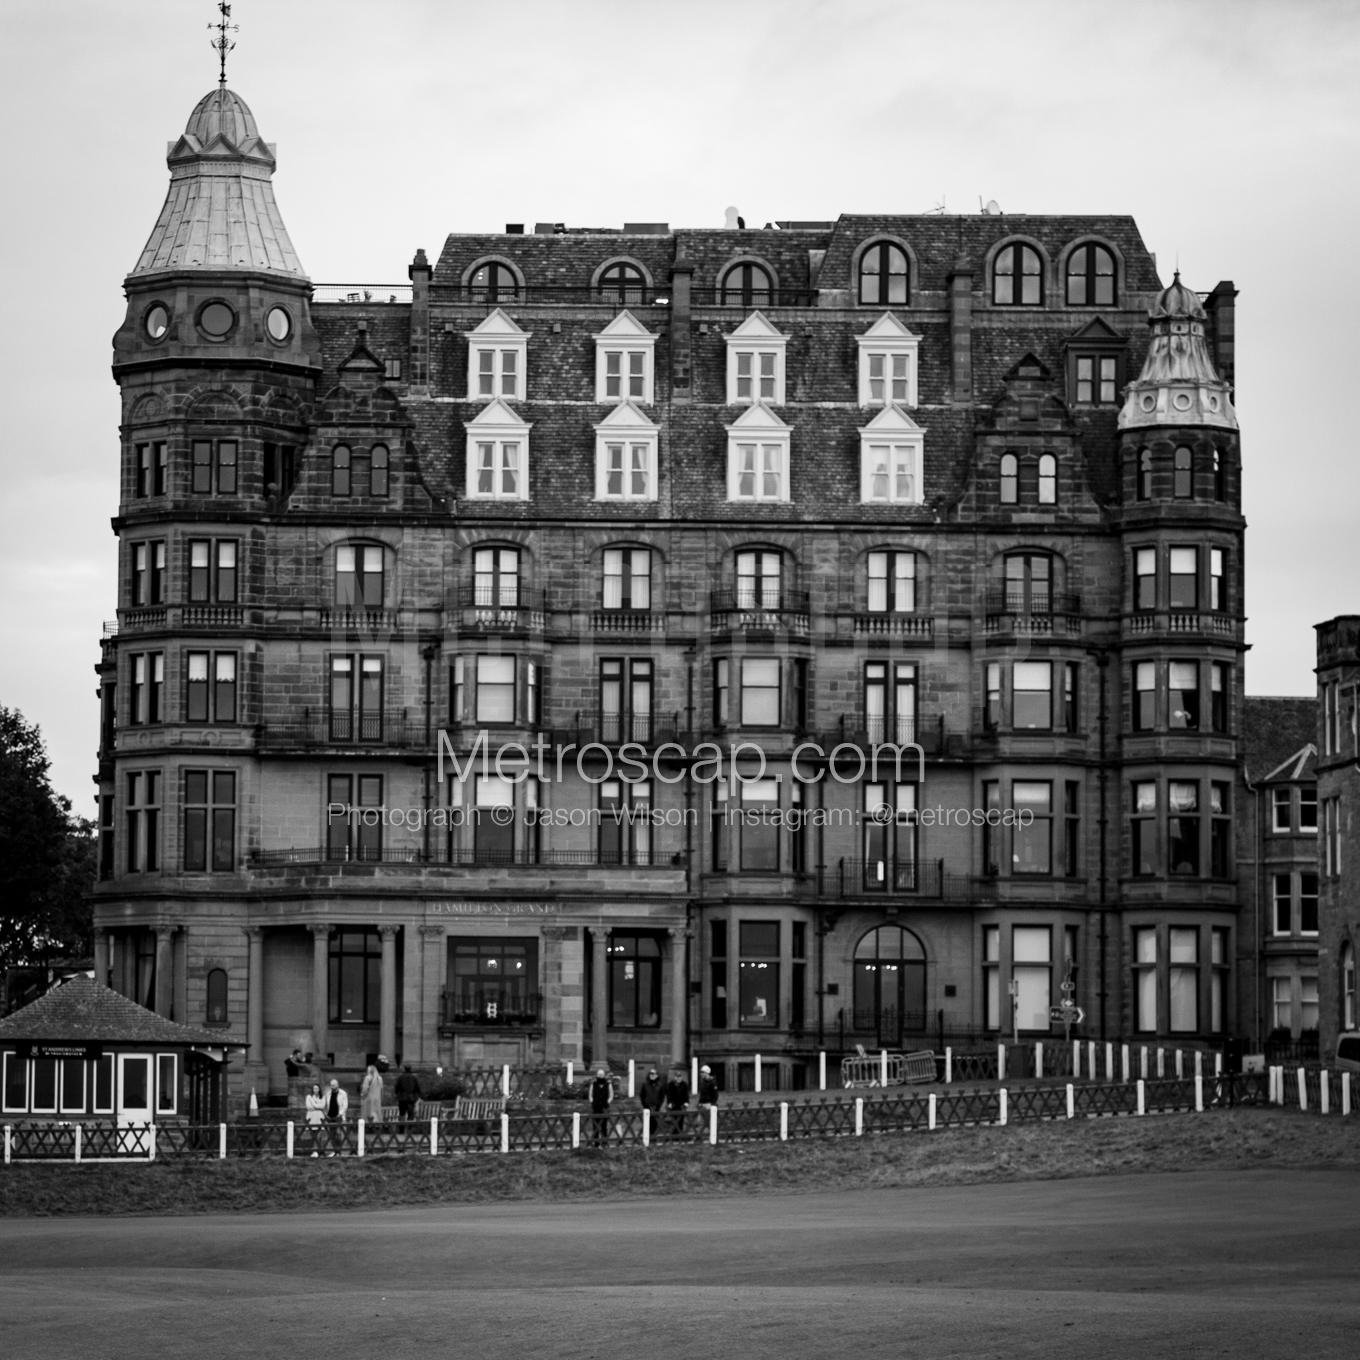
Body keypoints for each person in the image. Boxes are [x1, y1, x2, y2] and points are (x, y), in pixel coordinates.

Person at [588, 1067, 613, 1147]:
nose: (601, 1076)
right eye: (599, 1075)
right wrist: (592, 1102)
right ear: (597, 1075)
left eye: (602, 1075)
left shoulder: (608, 1085)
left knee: (604, 1126)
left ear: (604, 1076)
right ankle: (596, 1142)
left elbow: (611, 1095)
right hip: (595, 1107)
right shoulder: (593, 1084)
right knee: (595, 1125)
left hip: (604, 1108)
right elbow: (590, 1095)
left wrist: (608, 1102)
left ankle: (604, 1141)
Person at [664, 1066, 691, 1139]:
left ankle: (680, 1135)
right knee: (674, 1120)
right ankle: (674, 1135)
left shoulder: (684, 1084)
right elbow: (669, 1095)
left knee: (681, 1120)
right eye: (677, 1077)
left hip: (681, 1105)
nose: (679, 1078)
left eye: (680, 1077)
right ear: (674, 1077)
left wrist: (686, 1102)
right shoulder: (670, 1084)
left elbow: (686, 1094)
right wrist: (669, 1103)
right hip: (673, 1105)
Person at [323, 1077, 348, 1155]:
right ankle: (334, 1150)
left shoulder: (343, 1093)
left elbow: (345, 1105)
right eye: (331, 1085)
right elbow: (326, 1104)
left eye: (334, 1085)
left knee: (339, 1134)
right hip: (330, 1117)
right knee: (332, 1134)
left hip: (339, 1116)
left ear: (337, 1085)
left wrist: (340, 1114)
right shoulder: (328, 1093)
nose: (332, 1087)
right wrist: (325, 1114)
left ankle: (339, 1150)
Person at [638, 1066, 665, 1134]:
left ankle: (652, 1136)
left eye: (654, 1074)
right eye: (651, 1074)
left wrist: (658, 1106)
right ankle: (648, 1137)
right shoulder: (645, 1084)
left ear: (656, 1075)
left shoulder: (660, 1085)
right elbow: (642, 1096)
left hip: (656, 1107)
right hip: (647, 1107)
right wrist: (645, 1106)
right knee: (648, 1123)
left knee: (655, 1123)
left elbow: (662, 1097)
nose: (652, 1076)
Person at [303, 1081, 325, 1156]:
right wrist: (317, 1106)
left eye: (317, 1088)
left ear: (319, 1089)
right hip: (311, 1116)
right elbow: (308, 1107)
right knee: (312, 1134)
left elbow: (322, 1106)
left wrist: (314, 1105)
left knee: (319, 1133)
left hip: (319, 1117)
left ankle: (318, 1150)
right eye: (314, 1088)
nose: (315, 1090)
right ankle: (313, 1150)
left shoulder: (322, 1097)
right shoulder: (309, 1097)